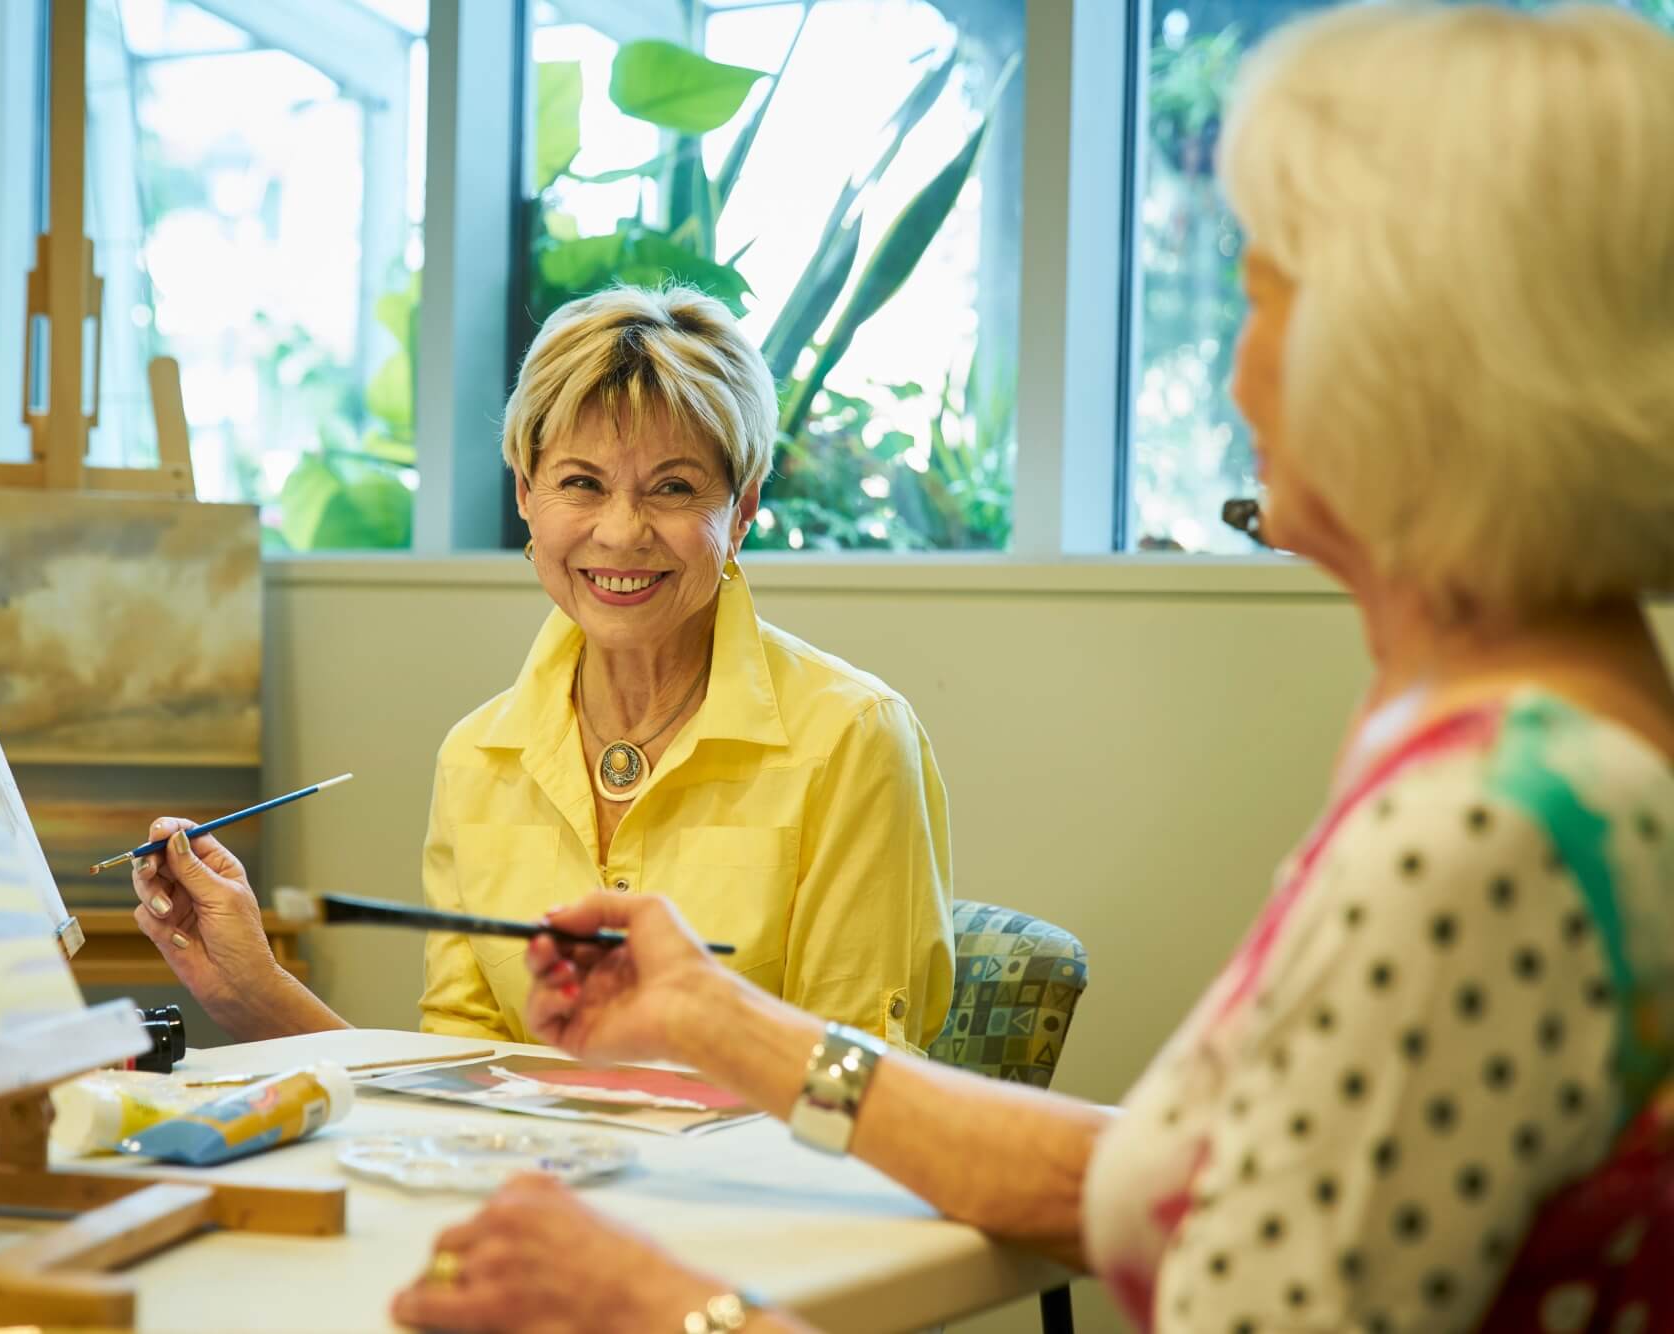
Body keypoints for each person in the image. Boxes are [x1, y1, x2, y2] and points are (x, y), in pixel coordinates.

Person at [388, 6, 1674, 1331]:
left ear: (1422, 361)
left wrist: (669, 1310)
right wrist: (720, 1018)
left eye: (1263, 296)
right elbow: (1171, 1182)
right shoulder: (1532, 755)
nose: (1235, 376)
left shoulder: (1479, 833)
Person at [129, 285, 956, 1052]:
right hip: (537, 1203)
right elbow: (463, 1081)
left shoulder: (851, 739)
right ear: (526, 494)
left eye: (673, 488)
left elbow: (866, 1082)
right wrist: (255, 992)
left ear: (740, 509)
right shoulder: (476, 757)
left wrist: (708, 1032)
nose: (622, 532)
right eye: (581, 483)